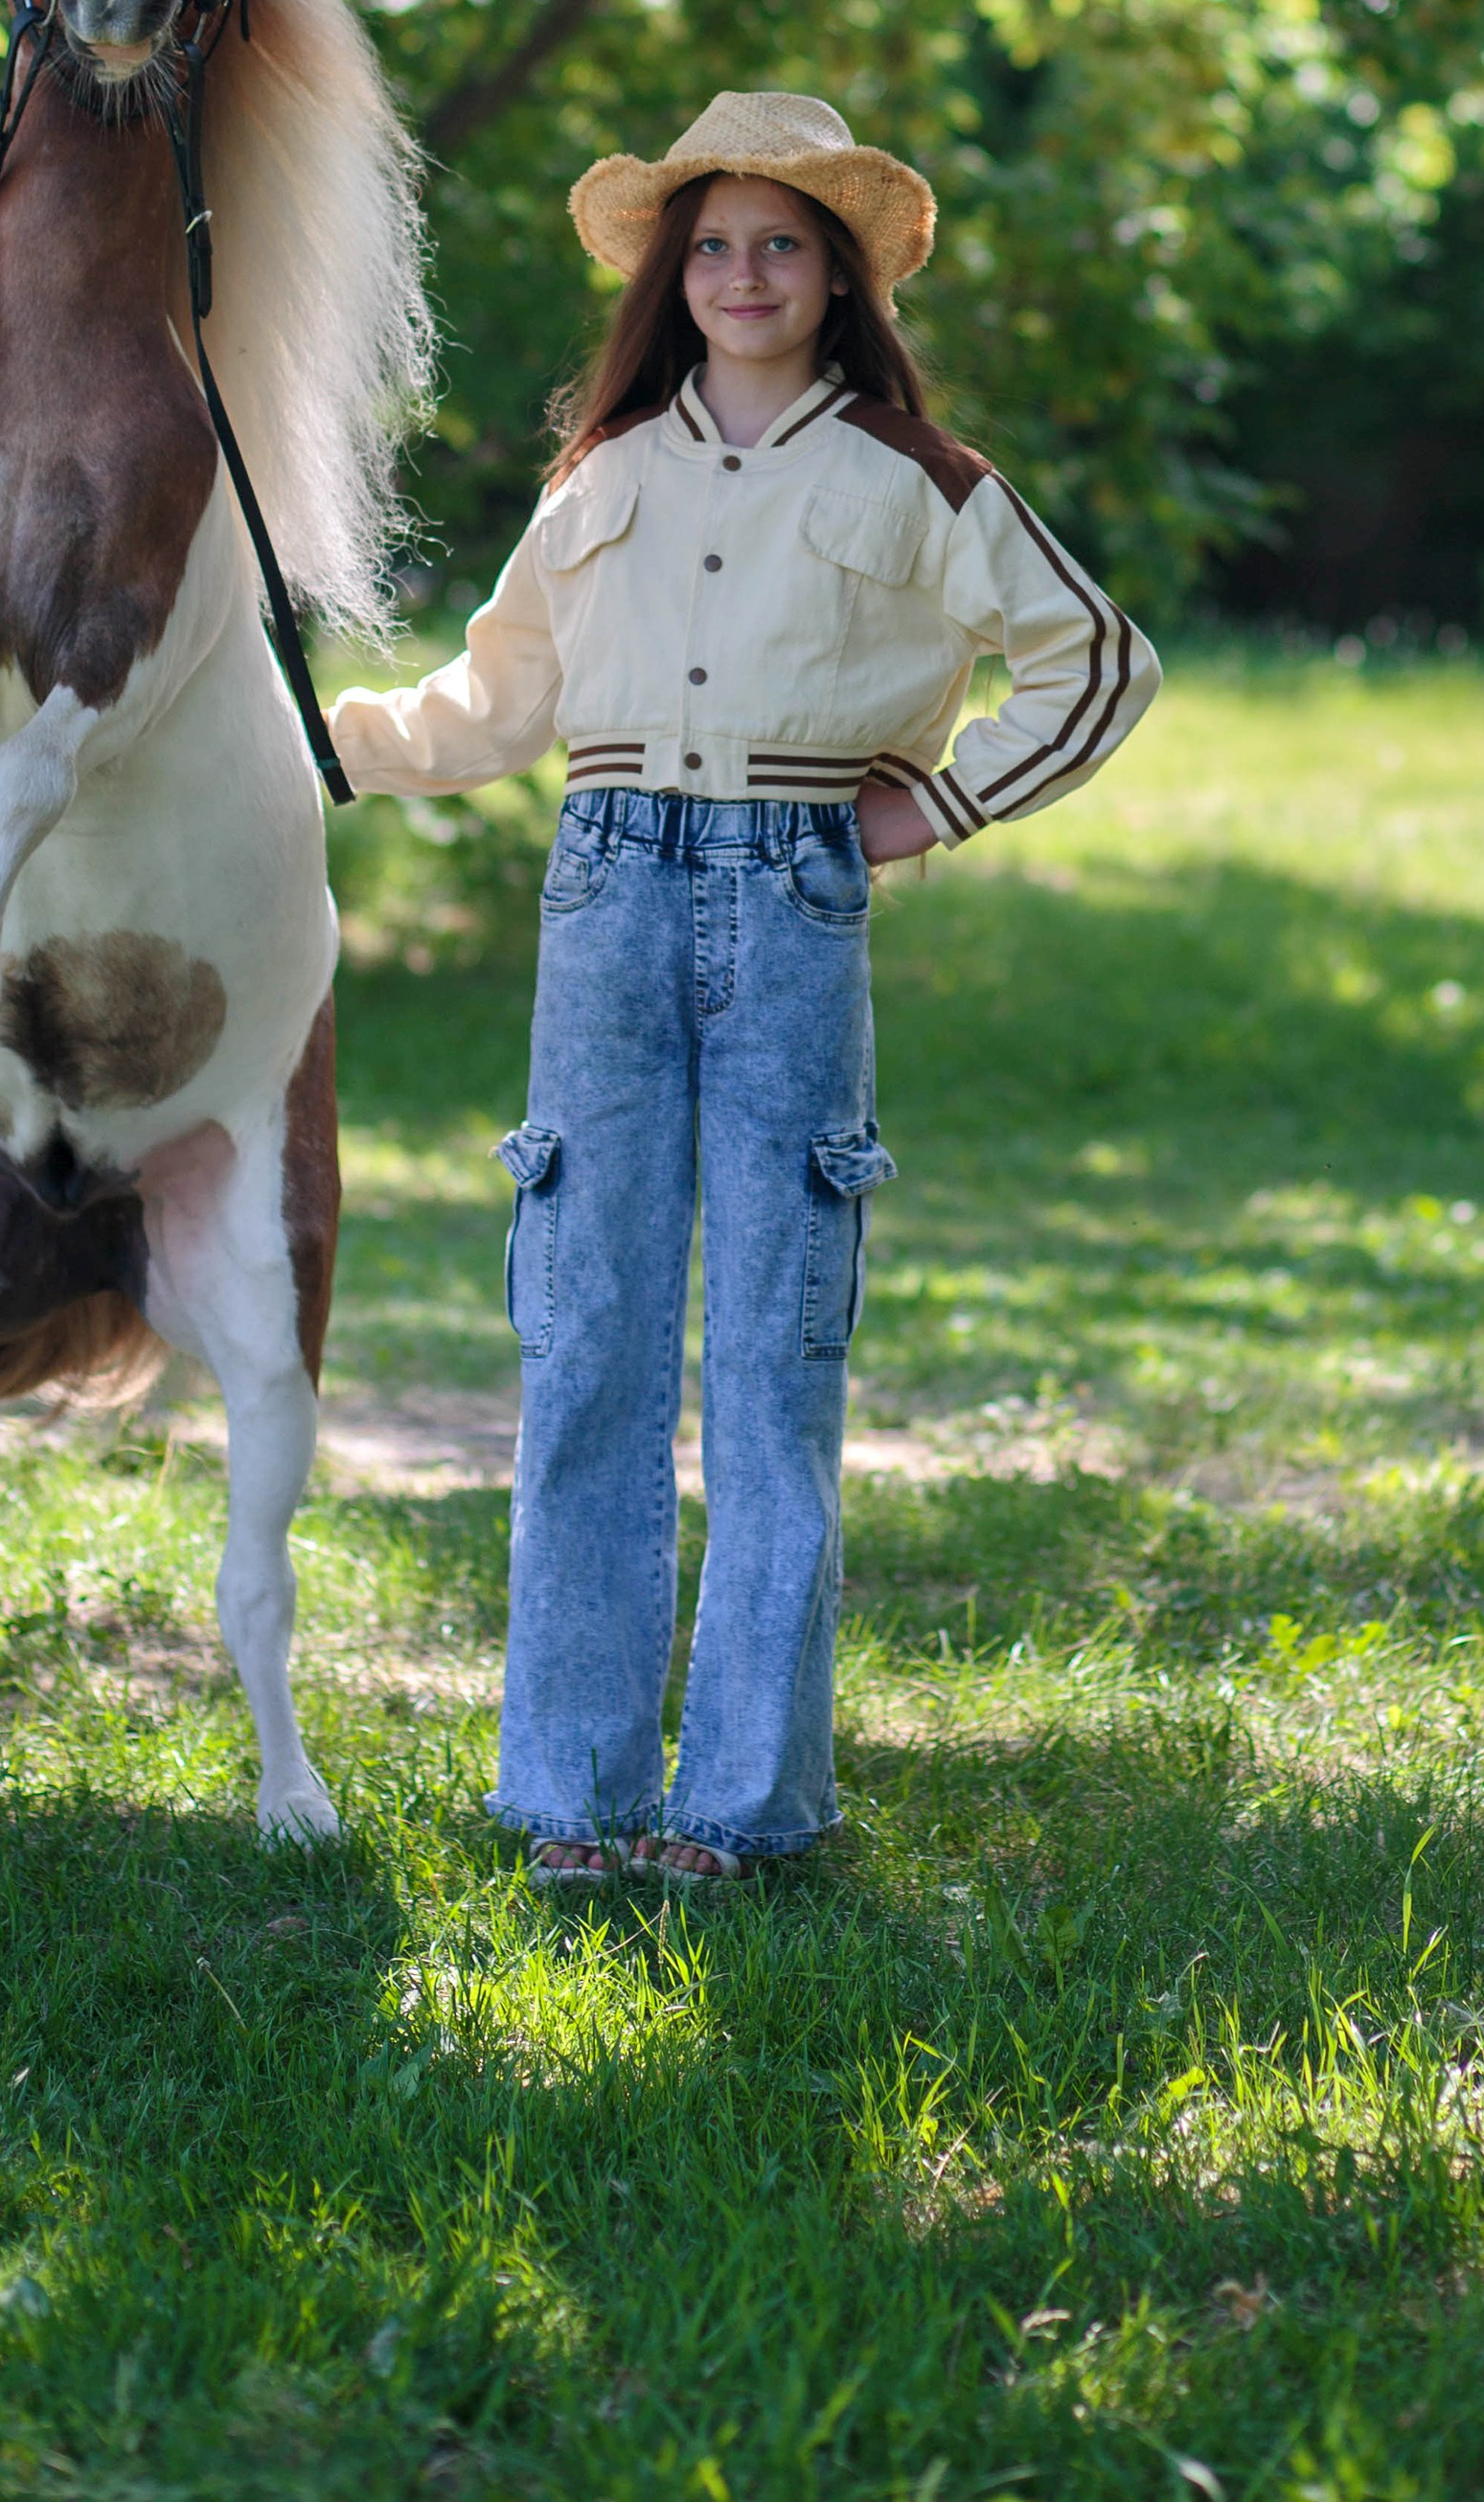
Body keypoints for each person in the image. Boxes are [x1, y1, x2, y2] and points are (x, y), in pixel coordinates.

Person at [328, 91, 1161, 1886]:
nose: (741, 274)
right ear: (667, 276)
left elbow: (1096, 667)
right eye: (709, 245)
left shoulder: (914, 481)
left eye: (779, 243)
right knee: (586, 1339)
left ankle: (741, 1809)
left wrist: (929, 804)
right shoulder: (598, 476)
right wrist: (316, 743)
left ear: (839, 275)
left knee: (777, 1353)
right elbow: (487, 706)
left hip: (792, 896)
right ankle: (569, 1796)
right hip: (604, 892)